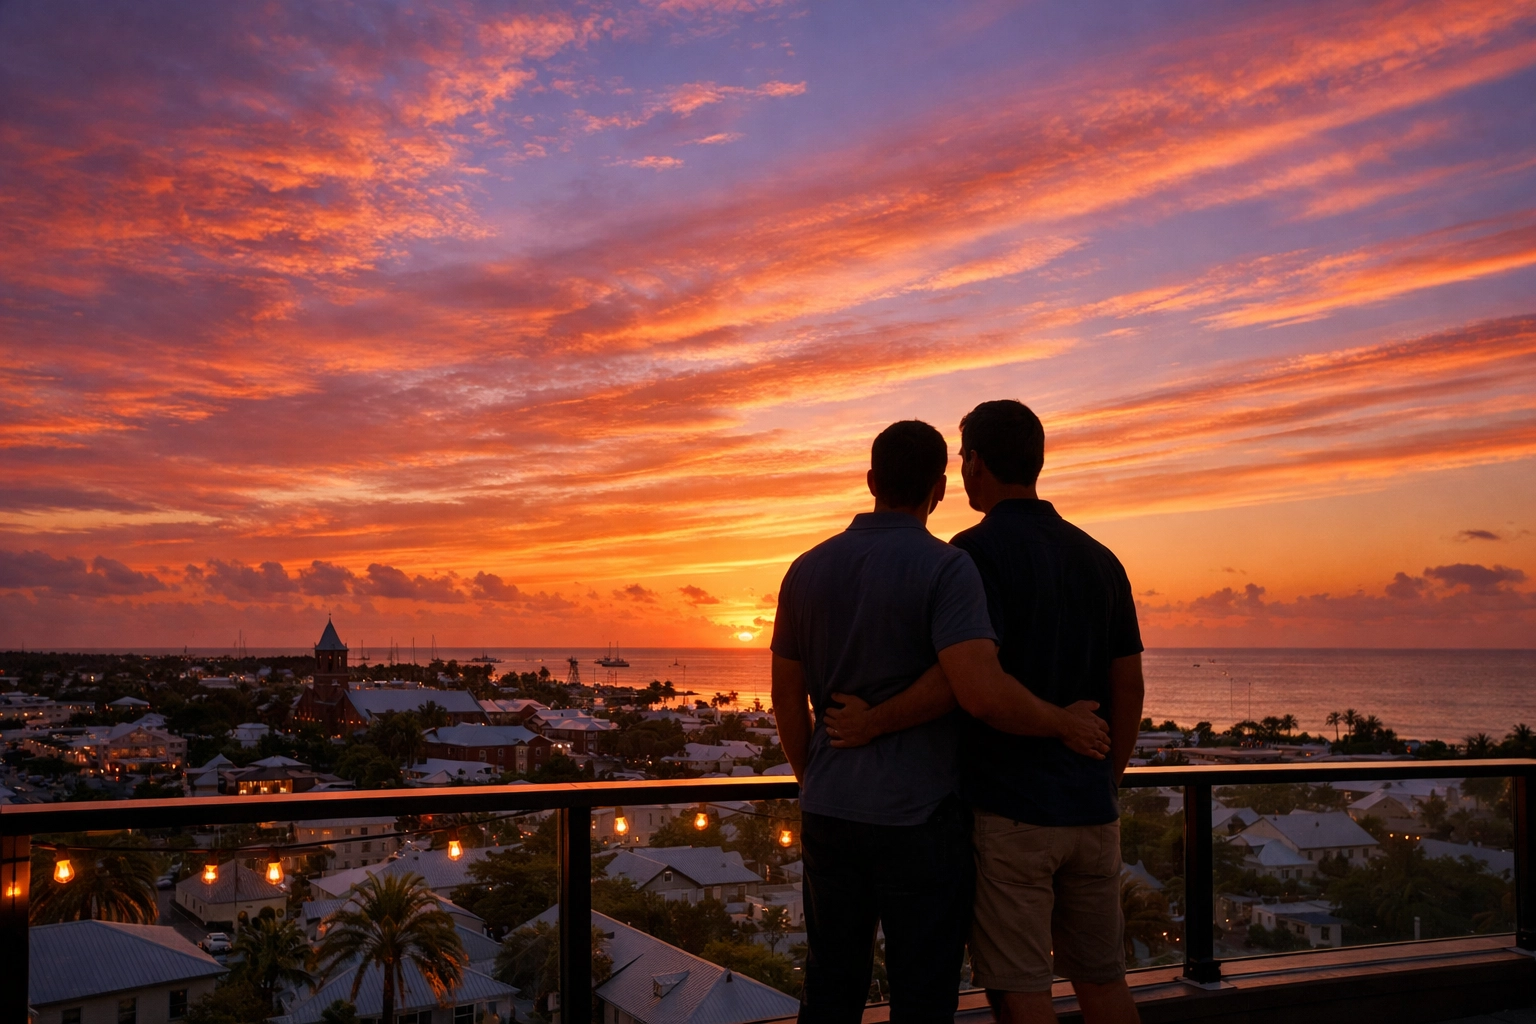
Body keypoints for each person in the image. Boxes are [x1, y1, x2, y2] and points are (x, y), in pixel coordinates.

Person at [771, 419, 1111, 1024]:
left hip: (830, 809)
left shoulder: (805, 569)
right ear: (940, 485)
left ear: (871, 479)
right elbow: (972, 684)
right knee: (922, 996)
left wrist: (812, 777)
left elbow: (786, 697)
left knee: (830, 986)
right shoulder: (946, 568)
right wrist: (1063, 723)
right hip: (920, 817)